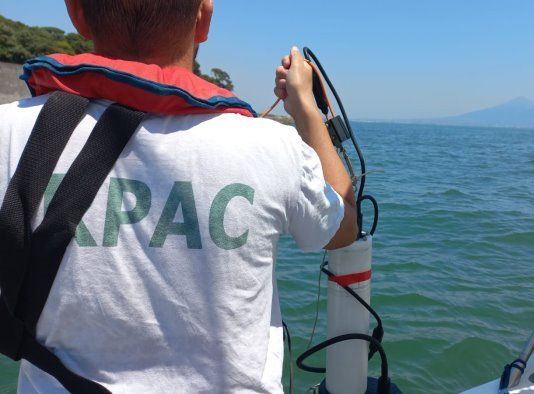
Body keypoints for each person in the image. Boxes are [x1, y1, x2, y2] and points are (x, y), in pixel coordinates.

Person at [0, 0, 358, 392]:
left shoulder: (8, 133)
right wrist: (305, 106)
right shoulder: (272, 147)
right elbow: (342, 229)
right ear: (203, 18)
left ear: (76, 13)